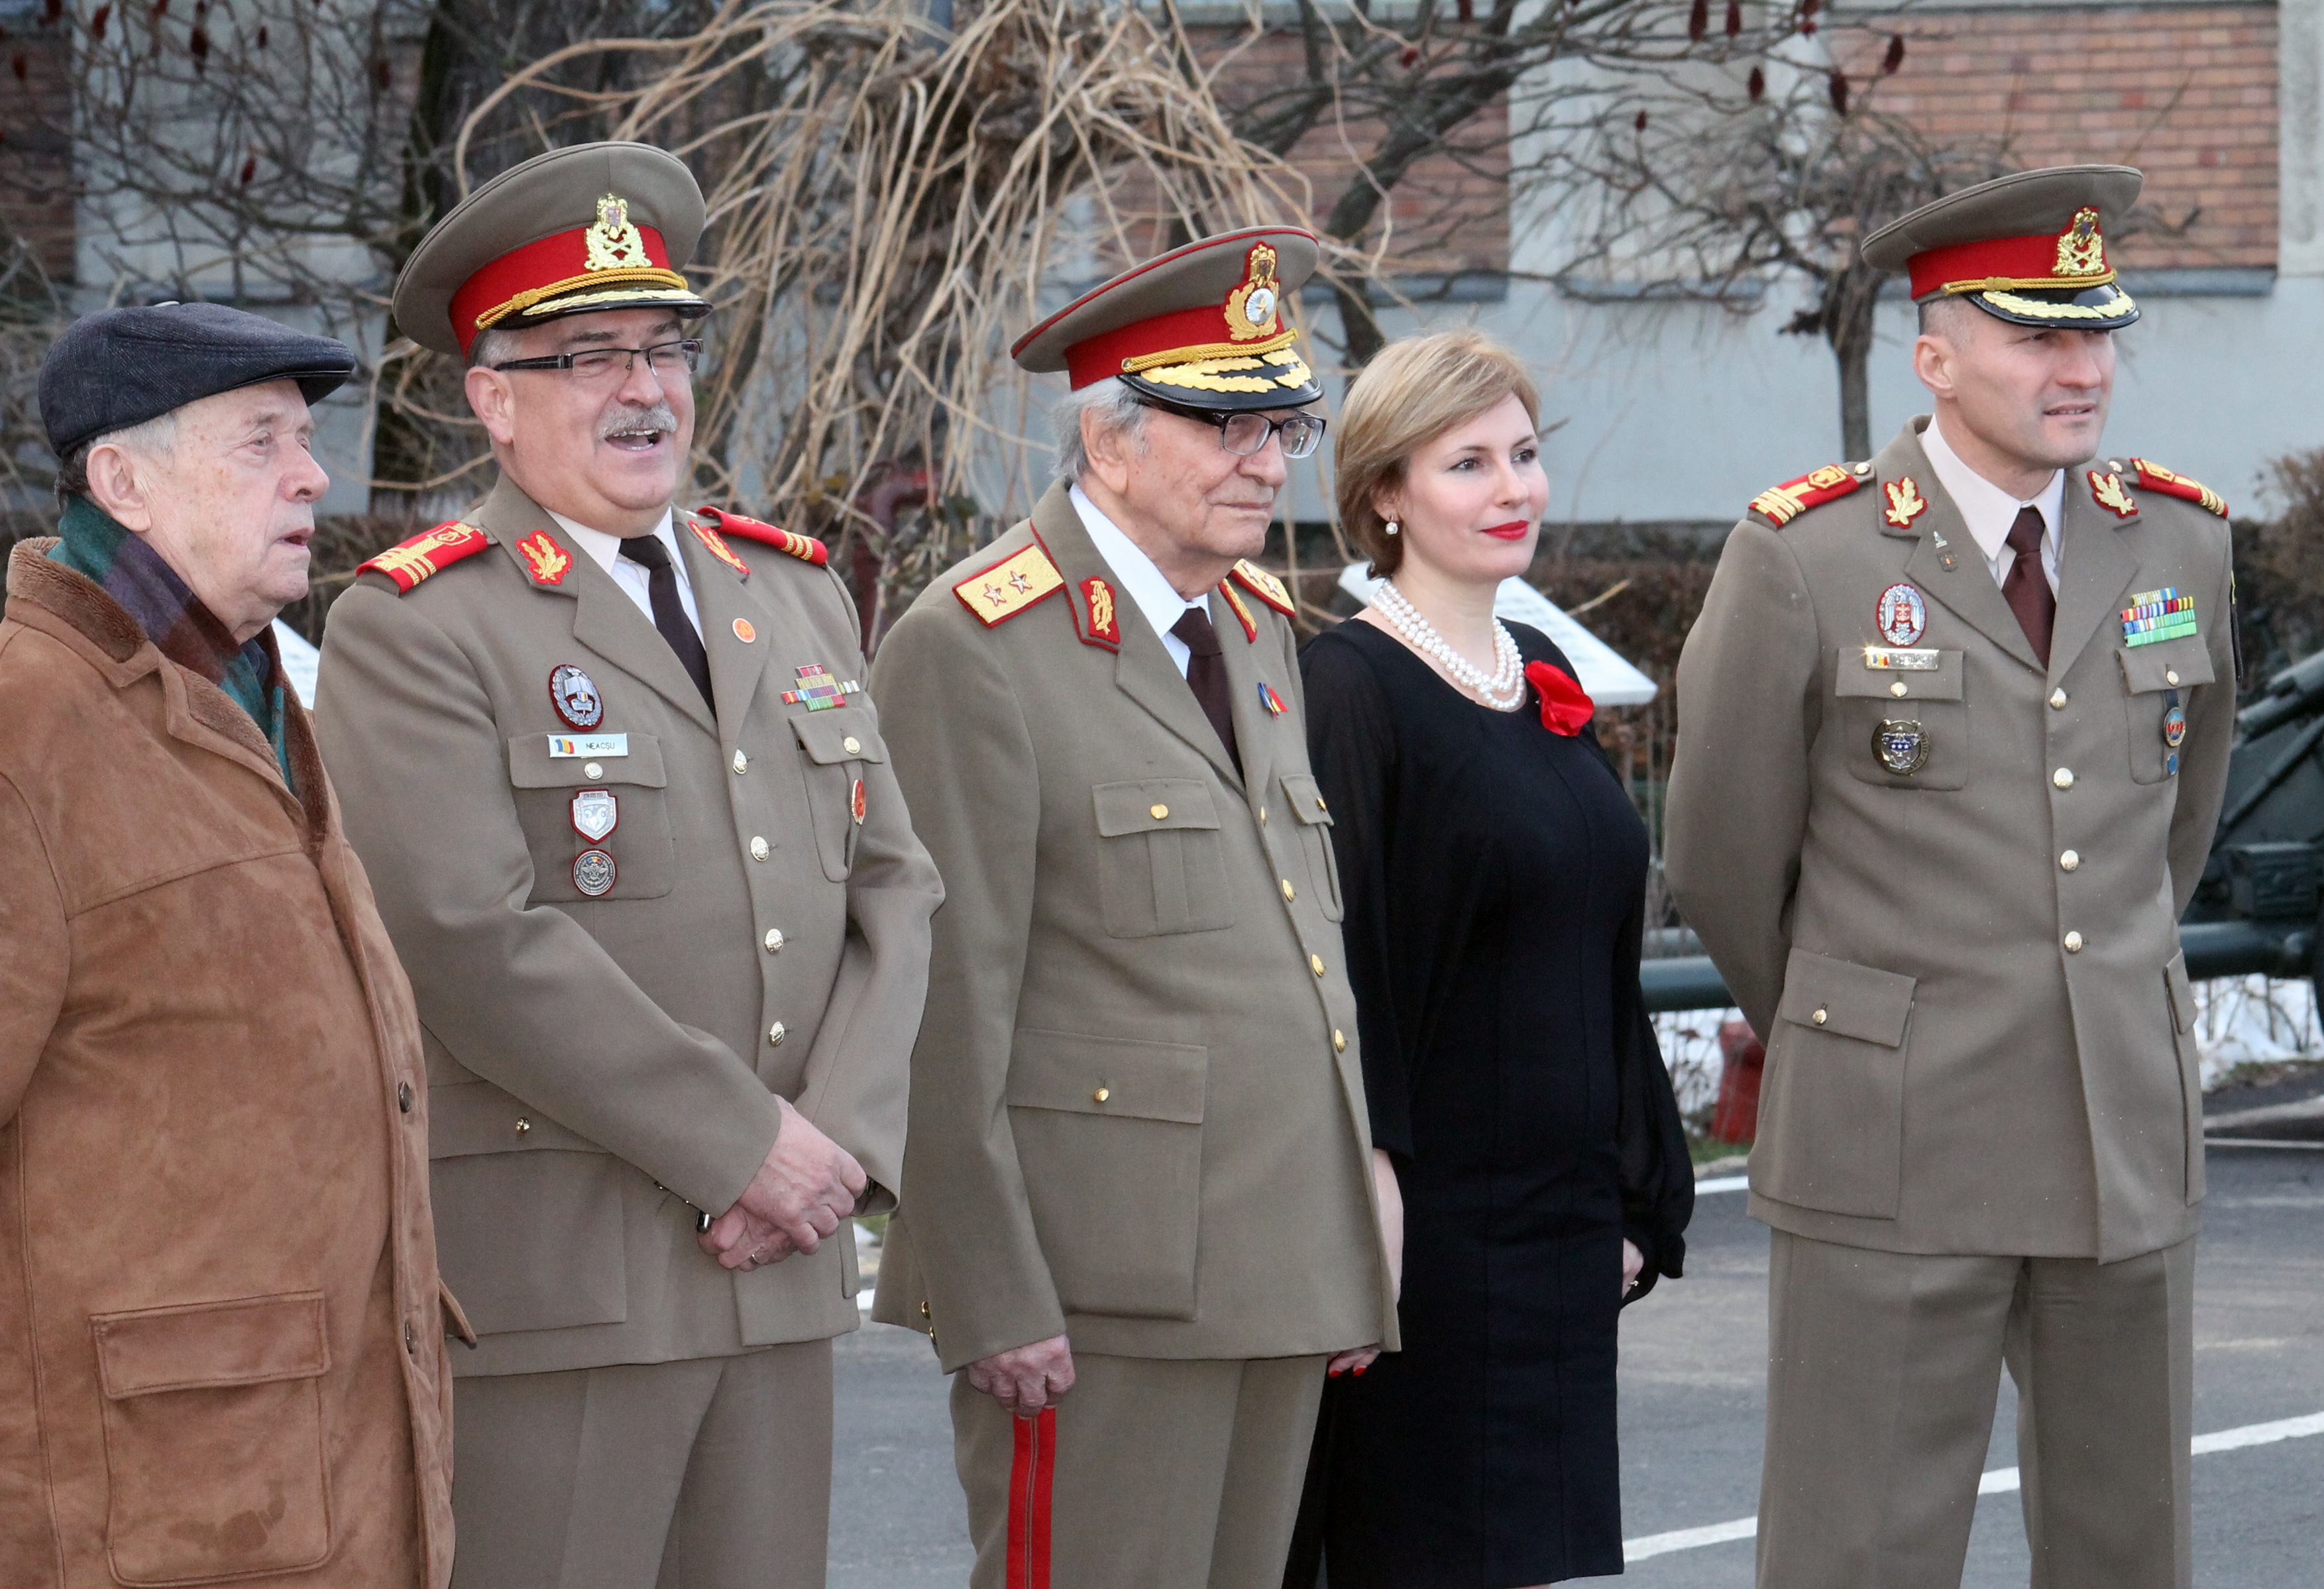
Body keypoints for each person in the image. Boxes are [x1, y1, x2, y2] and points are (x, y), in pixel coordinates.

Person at [311, 141, 942, 1589]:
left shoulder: (786, 592)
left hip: (780, 1271)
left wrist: (832, 1150)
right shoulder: (421, 625)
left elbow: (894, 887)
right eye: (586, 355)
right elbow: (470, 936)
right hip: (564, 1281)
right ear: (493, 396)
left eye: (663, 346)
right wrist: (744, 1148)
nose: (643, 387)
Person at [1667, 164, 2236, 1589]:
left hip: (2120, 1135)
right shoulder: (1807, 552)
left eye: (2098, 334)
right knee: (1858, 1547)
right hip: (1894, 1144)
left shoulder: (2178, 537)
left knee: (2132, 1544)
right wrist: (1855, 1022)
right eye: (2038, 335)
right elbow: (1726, 857)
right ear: (1934, 355)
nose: (2082, 367)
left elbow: (2176, 824)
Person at [866, 227, 1400, 1589]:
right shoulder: (974, 643)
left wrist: (1343, 1228)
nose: (1268, 462)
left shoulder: (1260, 625)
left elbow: (1296, 949)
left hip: (1274, 1259)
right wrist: (987, 1287)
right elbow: (941, 996)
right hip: (1095, 1283)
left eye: (1279, 424)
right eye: (1223, 425)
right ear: (1109, 442)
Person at [0, 303, 455, 1587]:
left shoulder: (251, 689)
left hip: (307, 1478)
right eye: (260, 440)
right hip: (142, 1518)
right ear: (122, 479)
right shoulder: (28, 730)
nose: (313, 474)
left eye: (306, 440)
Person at [1280, 330, 1694, 1589]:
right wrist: (1372, 1193)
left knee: (1523, 1561)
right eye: (1466, 463)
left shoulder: (1544, 671)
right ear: (1385, 494)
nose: (1512, 488)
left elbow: (1594, 949)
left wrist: (1634, 1190)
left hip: (1561, 1225)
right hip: (1432, 1233)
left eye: (1522, 454)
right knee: (1419, 1553)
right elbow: (1343, 964)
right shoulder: (1345, 684)